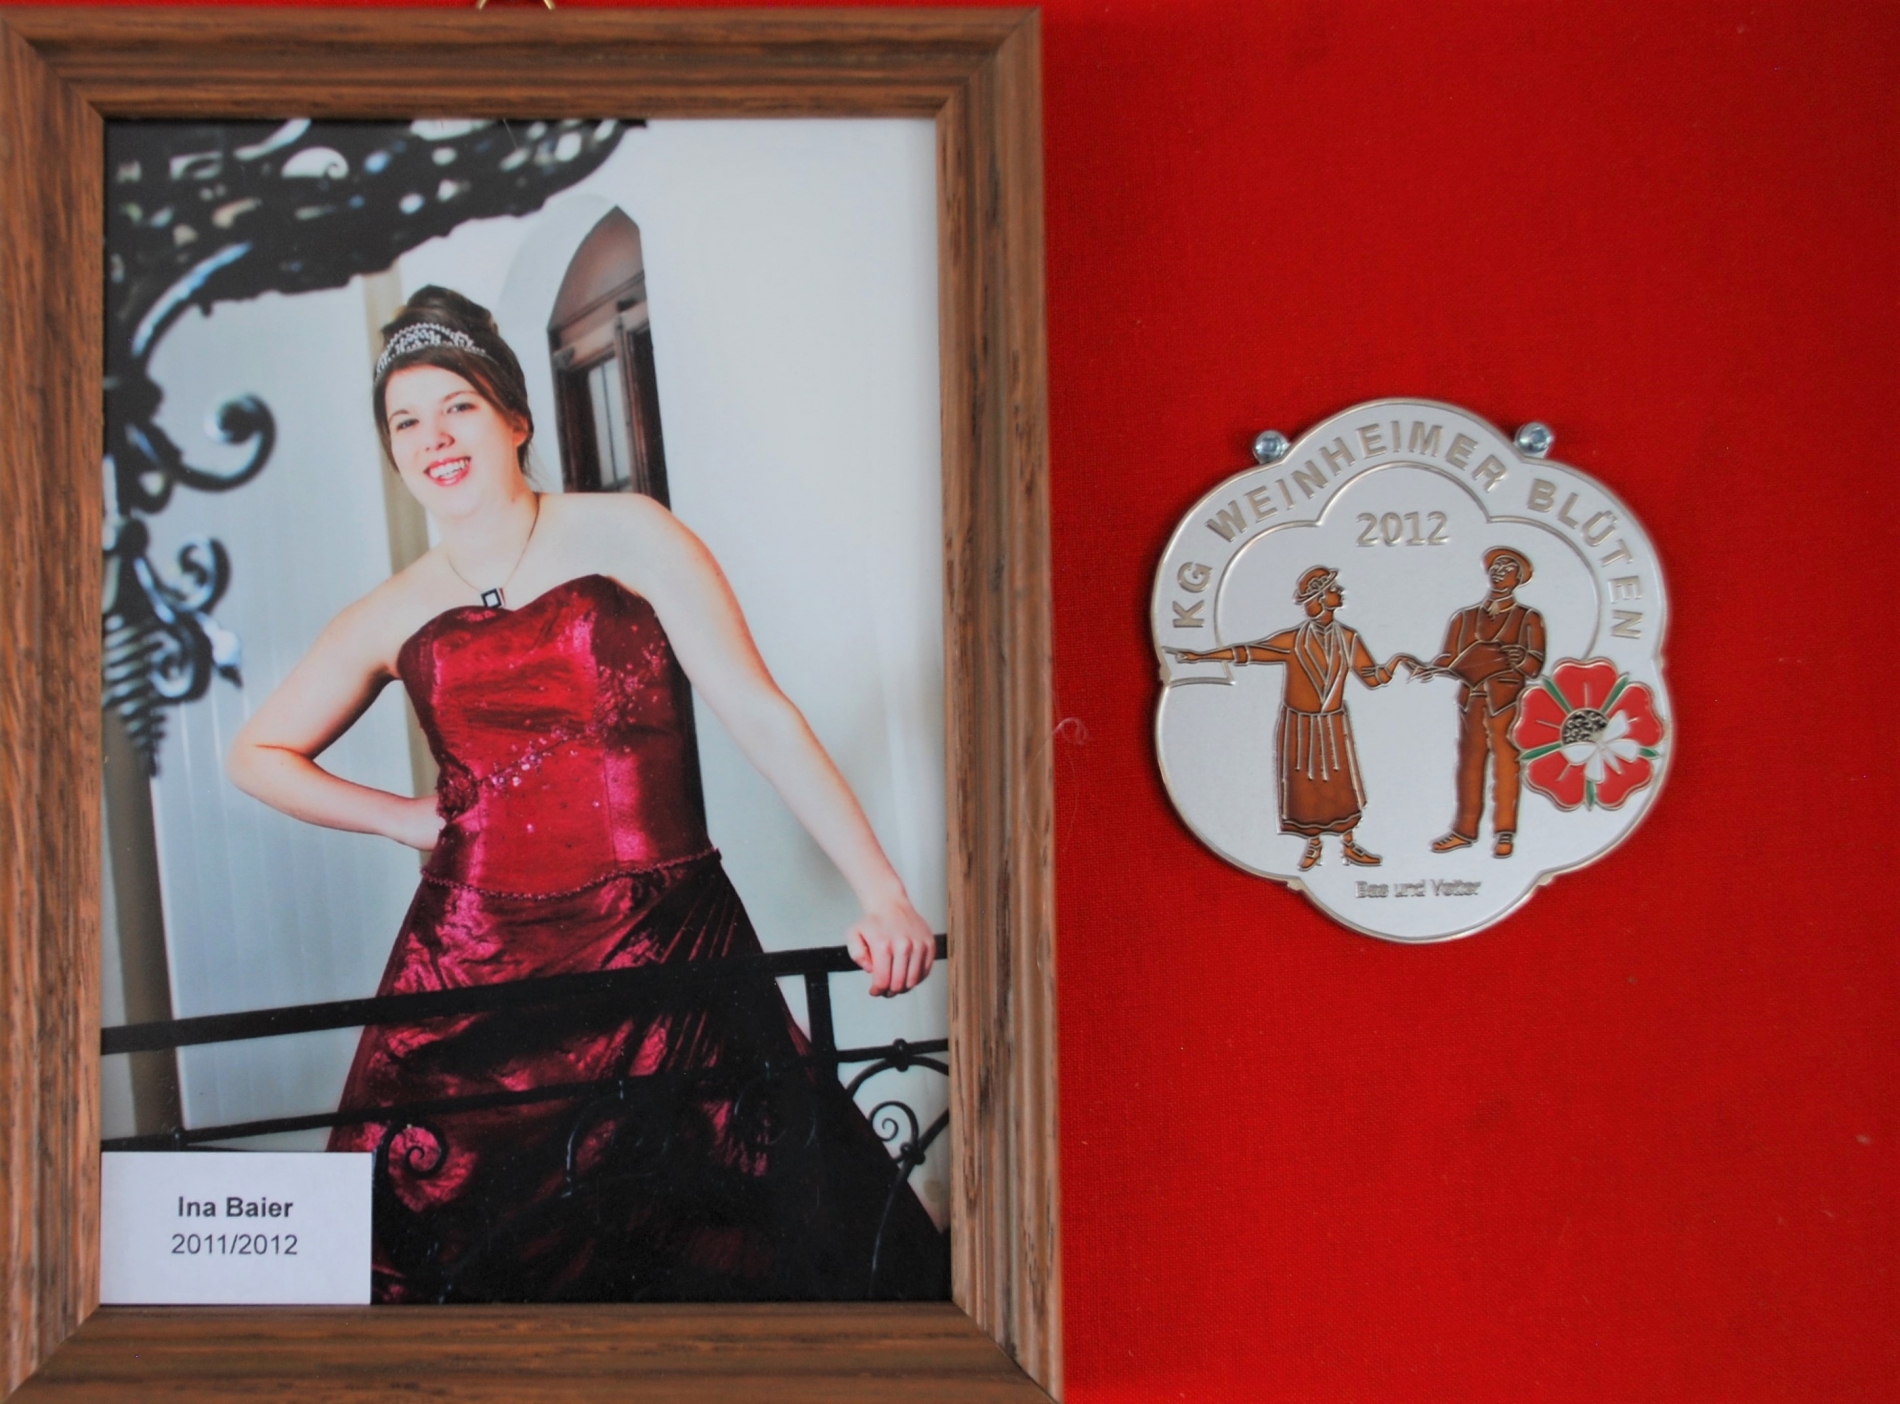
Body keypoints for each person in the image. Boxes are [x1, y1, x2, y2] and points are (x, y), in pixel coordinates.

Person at [226, 287, 944, 1303]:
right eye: (406, 422)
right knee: (455, 1252)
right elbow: (256, 753)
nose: (434, 438)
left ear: (515, 418)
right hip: (474, 972)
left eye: (459, 407)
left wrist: (882, 893)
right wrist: (400, 818)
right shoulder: (389, 611)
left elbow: (759, 712)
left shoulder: (630, 533)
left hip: (665, 944)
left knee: (739, 1229)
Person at [1172, 566, 1418, 870]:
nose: (1340, 592)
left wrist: (1398, 661)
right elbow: (1248, 652)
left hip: (1332, 723)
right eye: (1333, 589)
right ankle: (1313, 846)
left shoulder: (1349, 638)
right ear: (1320, 598)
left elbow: (1372, 678)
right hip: (1300, 725)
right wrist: (1202, 657)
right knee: (1306, 784)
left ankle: (1349, 844)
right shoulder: (1294, 640)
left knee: (1340, 783)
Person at [1418, 547, 1546, 858]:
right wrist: (1430, 667)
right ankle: (1464, 831)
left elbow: (1535, 666)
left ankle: (1505, 833)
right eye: (1496, 567)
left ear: (1518, 579)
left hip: (1507, 701)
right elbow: (1448, 658)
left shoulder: (1528, 618)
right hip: (1471, 700)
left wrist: (1520, 658)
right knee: (1469, 764)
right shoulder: (1465, 618)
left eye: (1507, 568)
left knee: (1507, 763)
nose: (1499, 572)